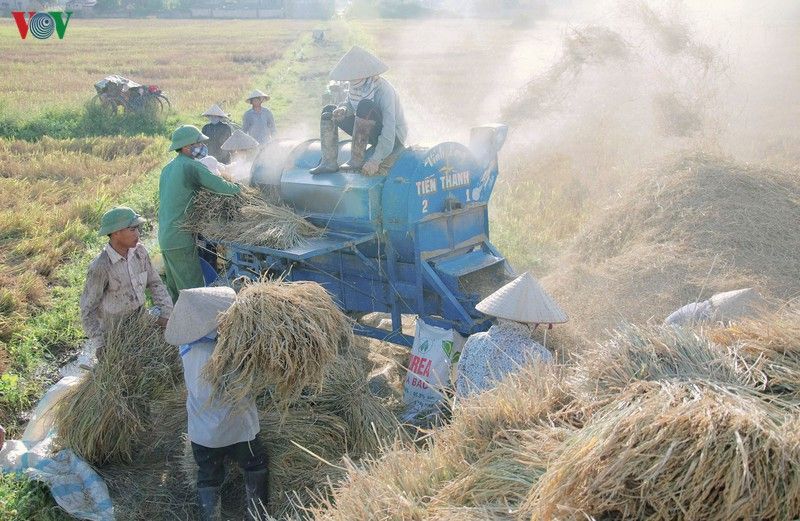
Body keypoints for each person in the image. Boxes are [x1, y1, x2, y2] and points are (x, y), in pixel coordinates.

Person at [165, 287, 268, 520]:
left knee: (208, 476)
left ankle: (210, 515)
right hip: (240, 429)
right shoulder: (231, 351)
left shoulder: (187, 349)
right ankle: (258, 515)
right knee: (255, 464)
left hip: (203, 434)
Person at [158, 125, 241, 303]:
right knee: (193, 292)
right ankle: (195, 330)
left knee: (175, 291)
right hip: (181, 238)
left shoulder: (168, 168)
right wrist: (240, 189)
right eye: (198, 143)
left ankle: (177, 326)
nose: (202, 146)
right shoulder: (191, 166)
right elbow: (222, 187)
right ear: (187, 146)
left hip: (166, 236)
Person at [80, 206, 173, 359]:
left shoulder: (140, 252)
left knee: (167, 355)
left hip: (142, 320)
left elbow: (155, 283)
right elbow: (87, 309)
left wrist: (166, 313)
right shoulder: (101, 267)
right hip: (115, 332)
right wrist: (100, 344)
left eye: (137, 228)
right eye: (132, 229)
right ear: (116, 233)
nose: (138, 233)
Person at [455, 272, 567, 398]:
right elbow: (545, 400)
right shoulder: (539, 356)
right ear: (535, 322)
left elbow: (460, 391)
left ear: (500, 310)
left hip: (468, 415)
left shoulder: (473, 341)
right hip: (510, 418)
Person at [310, 45, 408, 176]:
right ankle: (328, 162)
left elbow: (389, 129)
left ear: (365, 73)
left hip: (393, 138)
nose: (351, 80)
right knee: (329, 110)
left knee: (365, 106)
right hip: (367, 131)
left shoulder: (384, 91)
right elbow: (350, 104)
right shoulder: (356, 87)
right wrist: (343, 109)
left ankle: (356, 160)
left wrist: (375, 160)